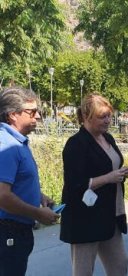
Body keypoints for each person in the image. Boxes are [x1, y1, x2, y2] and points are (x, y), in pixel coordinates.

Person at [60, 94, 128, 276]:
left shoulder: (108, 138)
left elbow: (111, 166)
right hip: (85, 218)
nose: (108, 120)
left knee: (120, 265)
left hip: (110, 215)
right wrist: (109, 177)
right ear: (86, 116)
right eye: (102, 116)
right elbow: (75, 185)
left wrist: (121, 174)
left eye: (109, 115)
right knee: (83, 271)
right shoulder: (76, 144)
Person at [0, 87, 59, 276]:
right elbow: (2, 196)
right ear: (12, 115)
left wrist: (39, 196)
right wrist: (37, 213)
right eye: (31, 112)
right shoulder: (6, 145)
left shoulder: (17, 141)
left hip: (15, 231)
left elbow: (16, 180)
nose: (38, 117)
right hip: (7, 231)